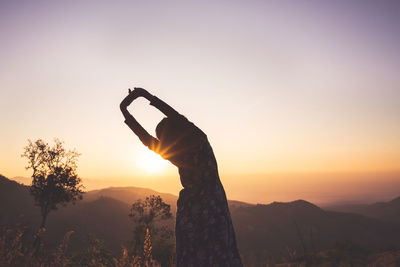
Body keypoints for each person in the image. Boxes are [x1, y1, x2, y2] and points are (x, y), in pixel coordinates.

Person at [120, 87, 243, 266]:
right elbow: (175, 116)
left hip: (190, 212)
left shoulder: (173, 154)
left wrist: (125, 112)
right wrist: (145, 95)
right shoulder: (200, 142)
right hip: (213, 209)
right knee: (219, 256)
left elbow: (146, 139)